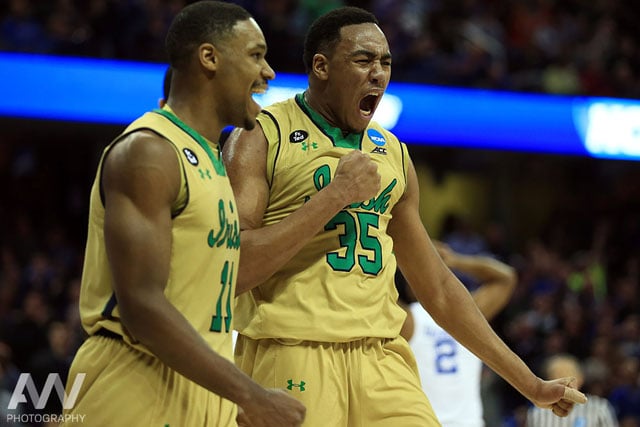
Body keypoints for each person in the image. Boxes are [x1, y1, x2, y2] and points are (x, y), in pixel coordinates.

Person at [222, 6, 586, 426]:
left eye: (385, 62)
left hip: (382, 356)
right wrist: (332, 198)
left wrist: (530, 383)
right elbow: (234, 268)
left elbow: (438, 288)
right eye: (363, 60)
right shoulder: (260, 137)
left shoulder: (392, 152)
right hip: (292, 351)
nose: (377, 73)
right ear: (320, 67)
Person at [61, 2, 305, 426]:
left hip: (198, 385)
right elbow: (141, 306)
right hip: (134, 381)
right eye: (255, 55)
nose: (268, 73)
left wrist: (228, 403)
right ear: (209, 58)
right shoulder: (150, 151)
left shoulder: (210, 159)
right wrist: (250, 394)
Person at [399, 241, 517, 427]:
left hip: (424, 422)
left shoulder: (406, 319)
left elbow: (371, 294)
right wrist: (455, 260)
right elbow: (505, 278)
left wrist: (397, 254)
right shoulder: (471, 314)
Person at [527, 354, 619, 426]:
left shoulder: (600, 408)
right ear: (548, 381)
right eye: (557, 375)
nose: (564, 381)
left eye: (569, 374)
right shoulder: (537, 413)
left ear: (581, 378)